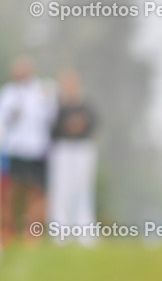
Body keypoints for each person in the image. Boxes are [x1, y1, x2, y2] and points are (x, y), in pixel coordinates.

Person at [0, 56, 56, 245]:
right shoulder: (8, 92)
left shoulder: (42, 90)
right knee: (11, 190)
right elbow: (5, 119)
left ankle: (31, 230)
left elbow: (51, 117)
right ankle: (7, 228)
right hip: (15, 148)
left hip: (37, 148)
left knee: (37, 191)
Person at [48, 69, 98, 243]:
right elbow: (51, 130)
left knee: (83, 189)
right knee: (61, 188)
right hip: (62, 150)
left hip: (83, 149)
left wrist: (79, 125)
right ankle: (59, 230)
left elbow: (94, 124)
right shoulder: (57, 107)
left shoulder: (85, 106)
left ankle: (85, 230)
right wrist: (67, 126)